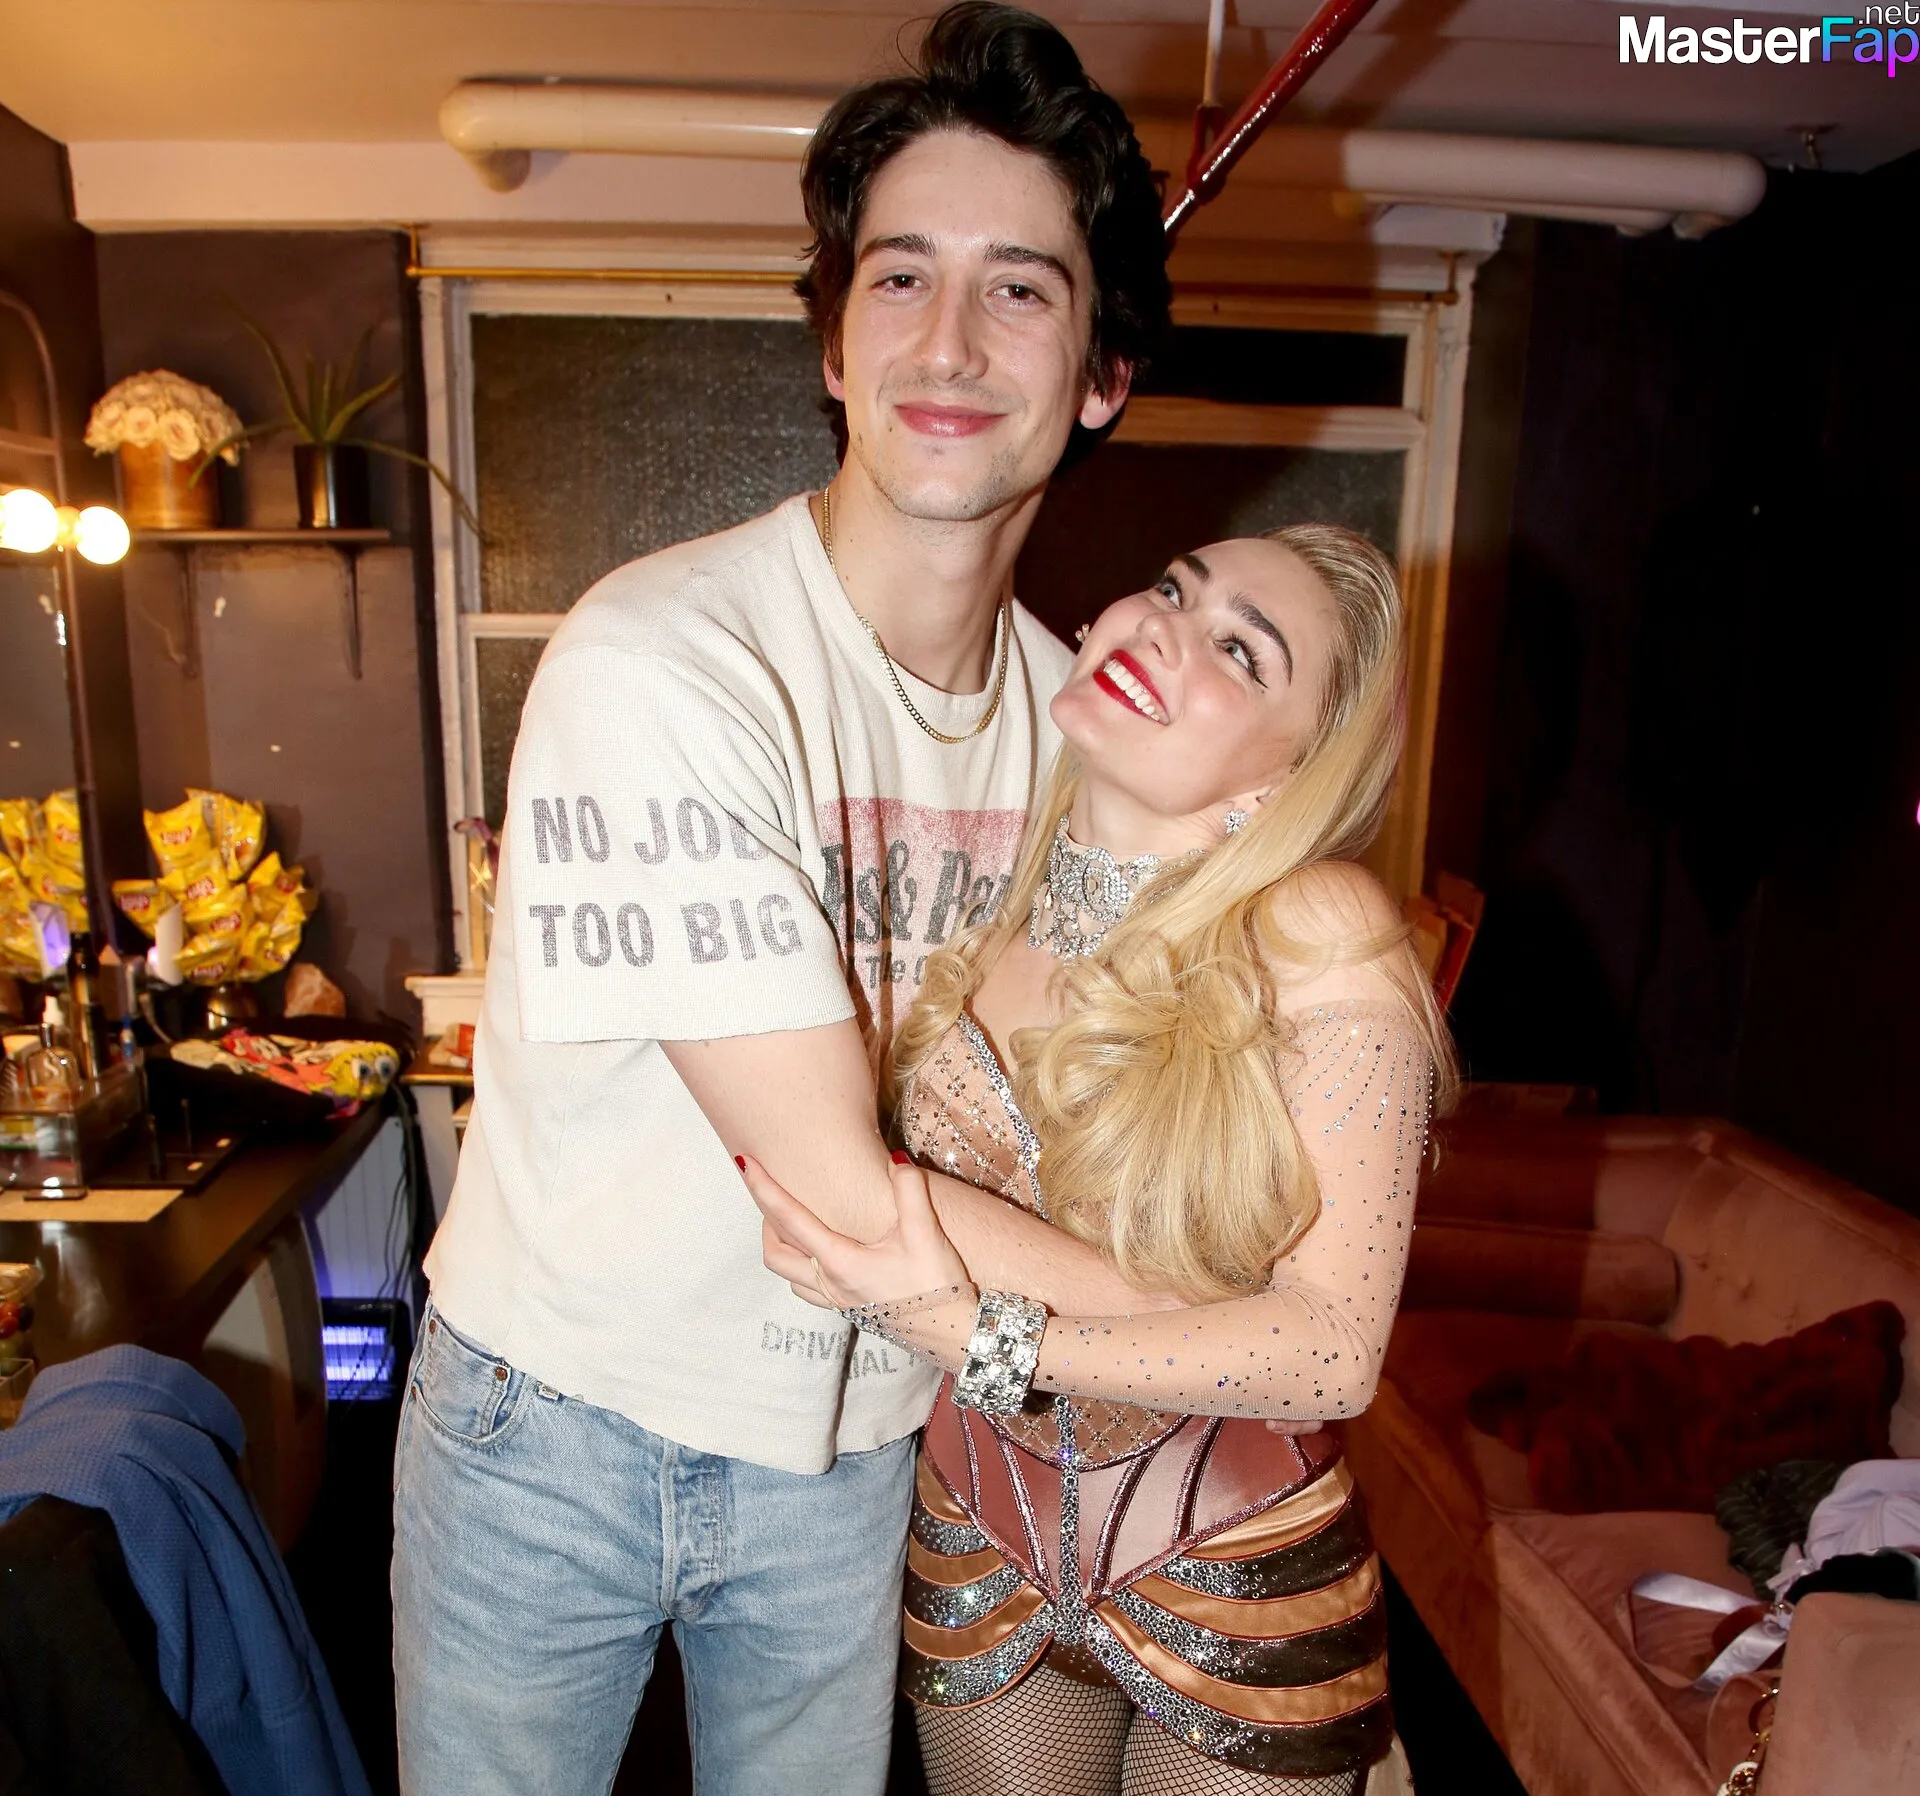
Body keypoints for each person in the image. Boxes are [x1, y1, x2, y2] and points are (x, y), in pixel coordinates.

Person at [390, 7, 1171, 1795]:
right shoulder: (662, 661)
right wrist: (1206, 1335)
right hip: (556, 1422)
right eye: (899, 279)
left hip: (862, 1435)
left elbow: (1114, 1112)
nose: (949, 341)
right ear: (833, 340)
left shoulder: (1085, 741)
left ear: (1103, 372)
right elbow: (833, 1186)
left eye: (1022, 289)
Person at [742, 524, 1455, 1795]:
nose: (1167, 624)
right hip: (979, 1546)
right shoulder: (989, 908)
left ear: (1284, 778)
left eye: (1241, 649)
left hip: (1239, 1569)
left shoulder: (1318, 926)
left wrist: (982, 1335)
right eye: (1175, 587)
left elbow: (1333, 1350)